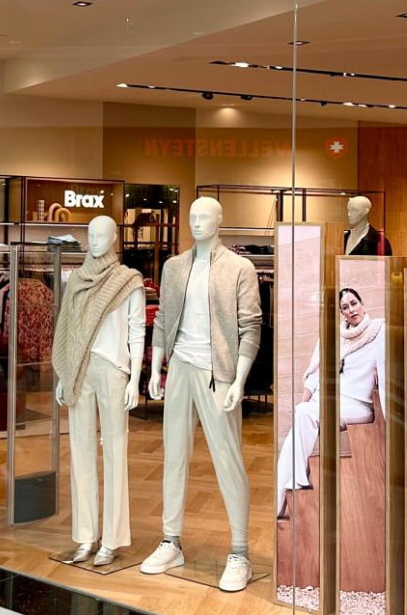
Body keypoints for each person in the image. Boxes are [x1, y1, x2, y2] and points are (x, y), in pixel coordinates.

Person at [139, 197, 261, 592]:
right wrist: (157, 368)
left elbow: (251, 327)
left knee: (228, 459)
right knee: (174, 455)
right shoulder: (174, 266)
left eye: (204, 216)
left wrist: (239, 380)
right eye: (191, 216)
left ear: (220, 220)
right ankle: (171, 540)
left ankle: (240, 551)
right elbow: (163, 319)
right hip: (180, 368)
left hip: (218, 374)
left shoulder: (240, 268)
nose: (196, 222)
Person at [53, 216, 144, 566]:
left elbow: (137, 331)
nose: (94, 241)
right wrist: (64, 374)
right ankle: (85, 536)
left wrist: (135, 379)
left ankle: (112, 539)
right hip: (79, 370)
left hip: (112, 369)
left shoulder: (128, 280)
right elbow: (69, 328)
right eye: (90, 235)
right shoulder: (76, 279)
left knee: (115, 451)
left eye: (101, 235)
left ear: (114, 238)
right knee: (80, 451)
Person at [275, 287, 386, 518]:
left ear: (362, 304)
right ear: (341, 313)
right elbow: (315, 375)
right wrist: (301, 405)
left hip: (360, 405)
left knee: (304, 415)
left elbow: (405, 349)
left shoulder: (380, 330)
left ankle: (288, 491)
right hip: (331, 400)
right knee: (298, 426)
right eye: (345, 307)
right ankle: (284, 498)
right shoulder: (334, 336)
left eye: (354, 303)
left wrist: (384, 368)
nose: (351, 310)